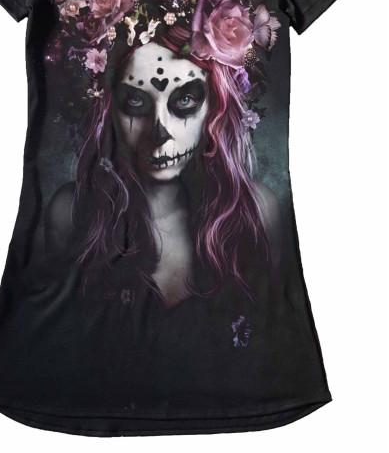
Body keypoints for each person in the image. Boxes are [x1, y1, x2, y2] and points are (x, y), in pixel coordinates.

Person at [45, 24, 282, 312]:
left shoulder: (257, 210)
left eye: (184, 99)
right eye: (135, 100)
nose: (159, 133)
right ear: (108, 109)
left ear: (214, 107)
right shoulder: (70, 211)